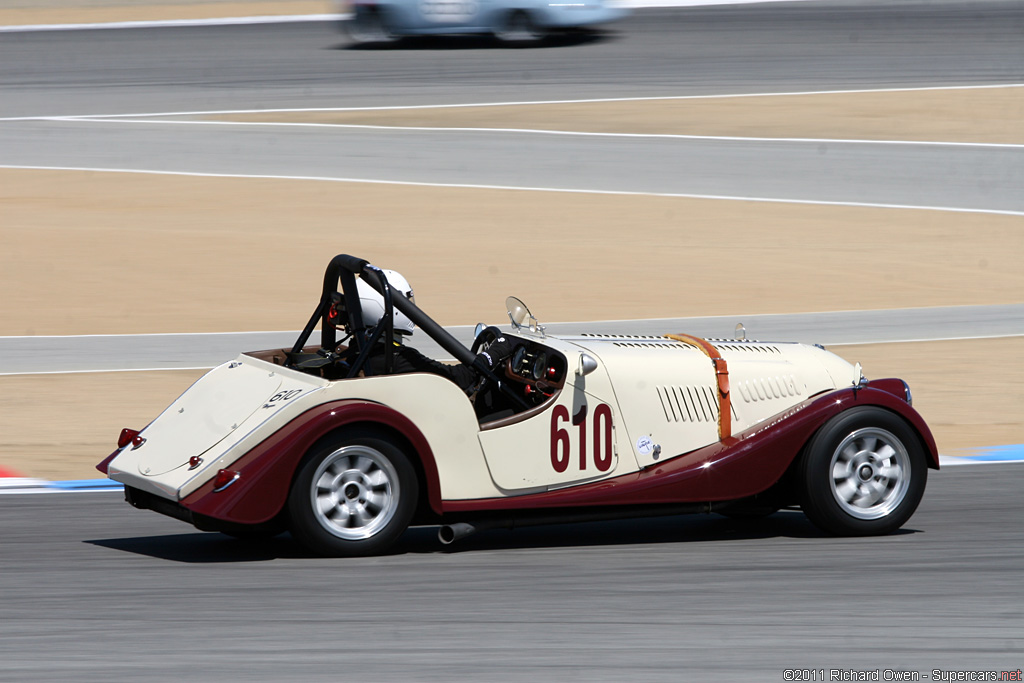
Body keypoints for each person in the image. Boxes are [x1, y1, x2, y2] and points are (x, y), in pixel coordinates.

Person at [356, 270, 516, 393]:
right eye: (405, 302)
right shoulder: (397, 359)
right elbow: (457, 378)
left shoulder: (357, 351)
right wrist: (493, 353)